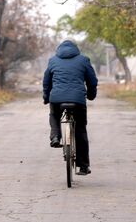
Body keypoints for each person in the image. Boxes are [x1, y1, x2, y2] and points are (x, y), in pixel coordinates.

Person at [42, 40, 98, 175]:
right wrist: (91, 95)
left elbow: (46, 82)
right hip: (77, 100)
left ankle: (55, 137)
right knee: (80, 130)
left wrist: (46, 98)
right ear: (76, 49)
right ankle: (83, 166)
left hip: (57, 99)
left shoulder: (53, 60)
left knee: (54, 115)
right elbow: (92, 81)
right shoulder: (84, 60)